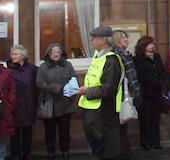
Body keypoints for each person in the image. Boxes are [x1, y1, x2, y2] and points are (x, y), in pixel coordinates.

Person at [76, 26, 124, 160]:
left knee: (106, 146)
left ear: (103, 40)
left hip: (103, 110)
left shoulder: (111, 60)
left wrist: (87, 91)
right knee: (96, 144)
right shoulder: (98, 57)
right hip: (91, 107)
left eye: (93, 38)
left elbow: (108, 89)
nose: (90, 40)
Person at [37, 43, 77, 160]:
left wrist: (70, 93)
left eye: (57, 52)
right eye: (53, 52)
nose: (55, 54)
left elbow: (74, 80)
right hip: (49, 104)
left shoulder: (68, 65)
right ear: (48, 54)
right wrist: (56, 88)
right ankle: (50, 151)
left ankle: (65, 150)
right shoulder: (43, 67)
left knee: (64, 130)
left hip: (65, 103)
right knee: (49, 130)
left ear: (61, 53)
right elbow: (39, 83)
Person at [133, 36, 166, 150]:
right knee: (145, 119)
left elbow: (162, 70)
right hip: (145, 93)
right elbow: (142, 76)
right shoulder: (138, 59)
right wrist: (156, 82)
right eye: (149, 44)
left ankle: (156, 141)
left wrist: (161, 81)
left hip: (156, 93)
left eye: (152, 44)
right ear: (143, 46)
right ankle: (146, 142)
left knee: (156, 118)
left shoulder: (157, 57)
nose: (152, 46)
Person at [8, 45, 38, 160]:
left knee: (27, 131)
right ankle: (15, 154)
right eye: (12, 54)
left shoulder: (31, 69)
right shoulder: (9, 70)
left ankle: (27, 153)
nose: (13, 56)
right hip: (15, 105)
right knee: (14, 132)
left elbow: (38, 82)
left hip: (29, 104)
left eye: (16, 54)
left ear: (22, 55)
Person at [113, 30, 139, 158]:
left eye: (126, 37)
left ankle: (125, 151)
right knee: (120, 125)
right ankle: (123, 153)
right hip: (121, 95)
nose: (126, 39)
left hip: (127, 93)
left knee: (123, 125)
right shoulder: (117, 54)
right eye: (123, 37)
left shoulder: (124, 53)